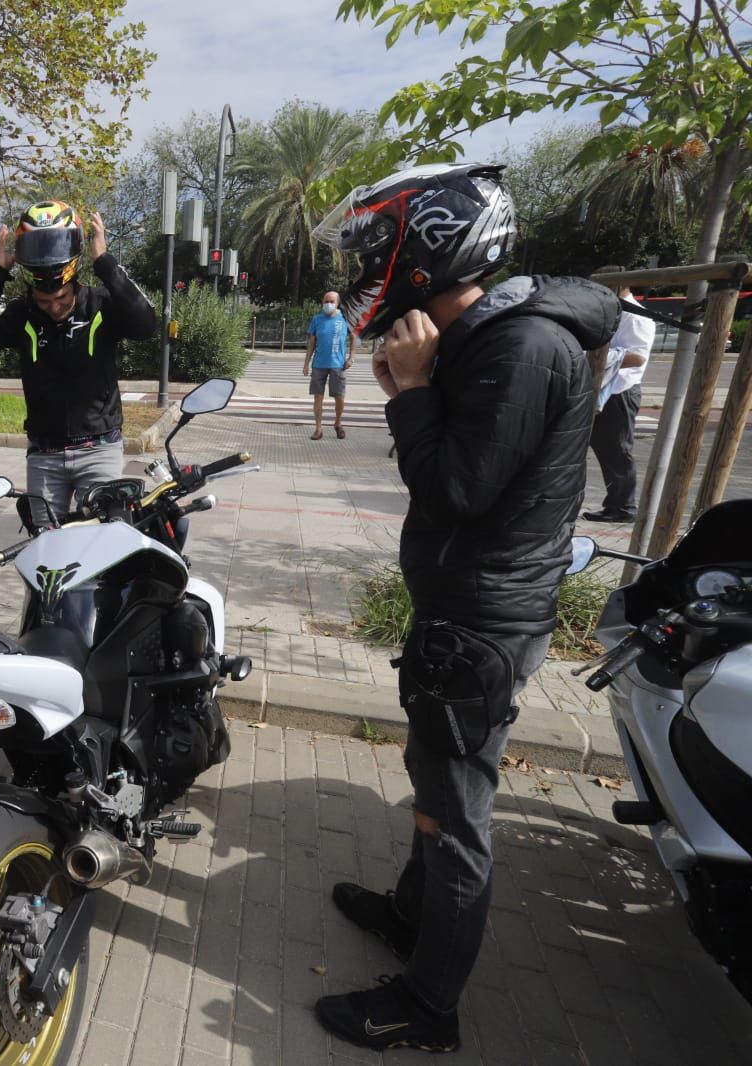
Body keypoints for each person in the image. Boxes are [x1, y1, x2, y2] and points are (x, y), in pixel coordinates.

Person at [307, 163, 619, 1053]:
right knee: (433, 777)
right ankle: (411, 919)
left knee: (454, 814)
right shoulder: (488, 337)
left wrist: (408, 394)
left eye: (378, 246)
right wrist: (422, 378)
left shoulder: (521, 347)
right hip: (467, 606)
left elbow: (455, 490)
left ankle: (427, 1006)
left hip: (482, 619)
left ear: (429, 248)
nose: (369, 265)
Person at [0, 200, 157, 520]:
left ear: (74, 284)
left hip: (99, 449)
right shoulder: (23, 313)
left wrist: (105, 261)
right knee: (44, 545)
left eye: (60, 300)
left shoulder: (100, 305)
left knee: (105, 542)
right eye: (44, 301)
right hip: (44, 454)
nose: (52, 307)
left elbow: (146, 324)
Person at [584, 267, 655, 523]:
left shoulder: (635, 316)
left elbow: (637, 357)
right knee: (603, 448)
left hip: (620, 390)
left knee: (617, 450)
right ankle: (615, 504)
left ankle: (624, 507)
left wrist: (601, 357)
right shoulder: (614, 310)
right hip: (605, 388)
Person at [303, 290, 354, 439]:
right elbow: (312, 342)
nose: (328, 304)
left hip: (338, 365)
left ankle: (338, 423)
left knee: (339, 396)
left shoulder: (345, 318)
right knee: (318, 397)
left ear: (338, 303)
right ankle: (318, 429)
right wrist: (306, 363)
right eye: (326, 301)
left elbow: (354, 337)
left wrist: (352, 357)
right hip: (319, 364)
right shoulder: (317, 319)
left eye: (331, 301)